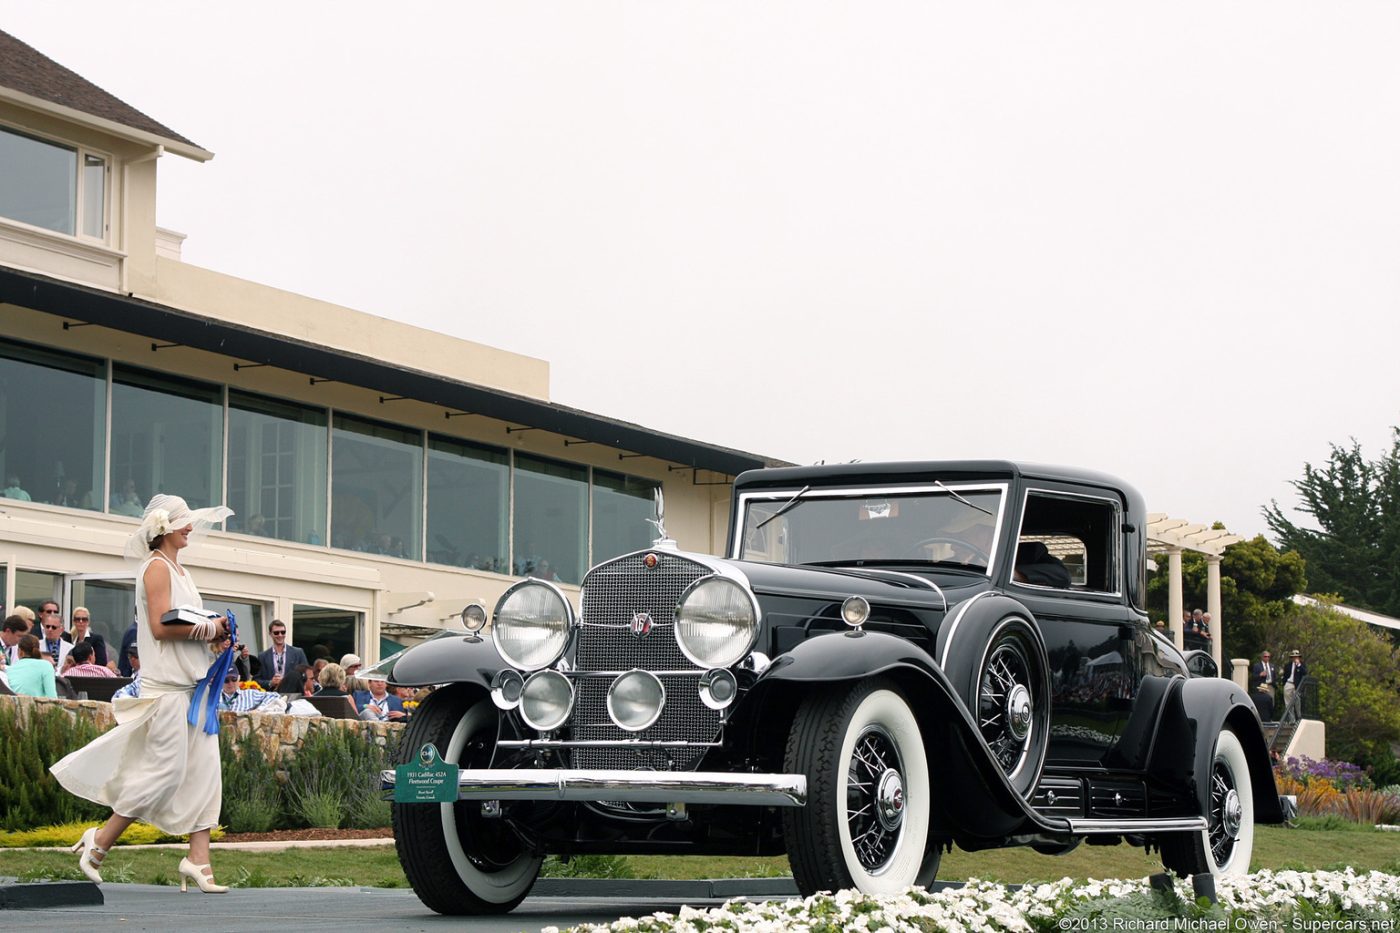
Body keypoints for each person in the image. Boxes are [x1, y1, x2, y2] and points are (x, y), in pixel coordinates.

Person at [50, 493, 234, 893]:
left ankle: (198, 860)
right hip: (166, 691)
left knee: (206, 774)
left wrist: (216, 639)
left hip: (193, 690)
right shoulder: (154, 568)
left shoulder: (180, 569)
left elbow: (186, 625)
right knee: (163, 773)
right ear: (165, 529)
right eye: (185, 523)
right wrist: (211, 629)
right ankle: (99, 841)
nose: (191, 528)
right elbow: (158, 627)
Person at [256, 620, 307, 691]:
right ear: (270, 634)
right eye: (276, 633)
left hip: (293, 695)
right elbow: (256, 680)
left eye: (283, 632)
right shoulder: (262, 656)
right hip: (271, 697)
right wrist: (271, 683)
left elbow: (306, 675)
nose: (280, 635)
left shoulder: (298, 653)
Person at [37, 601, 73, 668]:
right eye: (47, 626)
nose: (50, 629)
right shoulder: (36, 646)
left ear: (61, 630)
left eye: (54, 627)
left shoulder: (70, 648)